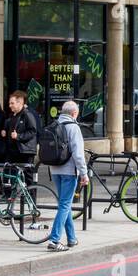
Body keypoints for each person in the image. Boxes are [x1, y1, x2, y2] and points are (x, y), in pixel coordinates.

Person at [46, 100, 89, 252]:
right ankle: (54, 239)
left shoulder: (54, 125)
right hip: (69, 171)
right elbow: (78, 154)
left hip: (55, 170)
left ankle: (71, 238)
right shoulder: (74, 127)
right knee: (65, 205)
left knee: (65, 204)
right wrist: (84, 173)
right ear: (74, 113)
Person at [2, 90, 40, 168]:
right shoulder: (12, 115)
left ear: (19, 103)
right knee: (9, 174)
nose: (9, 105)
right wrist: (4, 130)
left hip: (24, 151)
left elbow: (33, 131)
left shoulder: (27, 114)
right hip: (13, 151)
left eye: (12, 103)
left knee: (26, 176)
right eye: (9, 103)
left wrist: (18, 136)